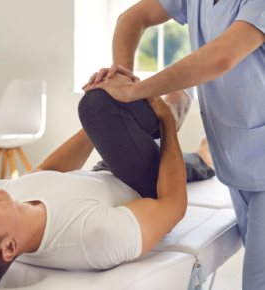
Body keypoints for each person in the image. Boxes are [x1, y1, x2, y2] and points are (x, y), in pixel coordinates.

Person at [0, 88, 215, 290]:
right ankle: (182, 100)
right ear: (10, 248)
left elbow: (46, 172)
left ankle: (200, 148)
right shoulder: (92, 237)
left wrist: (95, 130)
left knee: (100, 110)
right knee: (97, 106)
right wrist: (165, 121)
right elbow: (172, 206)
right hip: (144, 189)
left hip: (104, 174)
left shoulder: (0, 199)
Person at [82, 1, 265, 289]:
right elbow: (133, 16)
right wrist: (122, 74)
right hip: (235, 163)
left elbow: (222, 56)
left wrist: (132, 91)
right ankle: (203, 155)